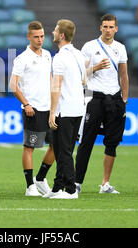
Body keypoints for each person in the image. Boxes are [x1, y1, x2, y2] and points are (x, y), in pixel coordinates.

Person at [75, 14, 129, 195]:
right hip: (95, 99)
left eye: (111, 27)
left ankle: (105, 183)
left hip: (114, 99)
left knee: (112, 143)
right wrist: (95, 68)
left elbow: (124, 75)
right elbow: (81, 74)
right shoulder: (90, 46)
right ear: (100, 27)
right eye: (105, 26)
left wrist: (124, 99)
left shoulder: (120, 48)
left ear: (116, 29)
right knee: (86, 141)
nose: (108, 30)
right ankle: (77, 182)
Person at [9, 21, 55, 197]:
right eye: (36, 37)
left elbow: (51, 80)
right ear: (29, 37)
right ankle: (30, 186)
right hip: (33, 109)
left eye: (42, 36)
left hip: (49, 108)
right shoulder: (22, 58)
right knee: (30, 147)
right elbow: (13, 85)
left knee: (56, 145)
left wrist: (55, 103)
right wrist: (26, 104)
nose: (40, 40)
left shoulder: (48, 55)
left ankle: (41, 178)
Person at [46, 19, 86, 199]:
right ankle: (57, 188)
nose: (53, 32)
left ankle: (70, 190)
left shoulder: (60, 57)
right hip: (78, 107)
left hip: (65, 109)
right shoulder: (78, 54)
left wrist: (52, 112)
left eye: (55, 30)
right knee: (66, 148)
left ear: (61, 35)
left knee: (63, 151)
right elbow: (84, 80)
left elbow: (56, 86)